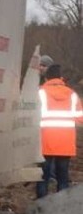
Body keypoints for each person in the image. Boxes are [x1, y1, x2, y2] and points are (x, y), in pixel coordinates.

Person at [36, 64, 83, 198]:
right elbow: (81, 118)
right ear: (60, 78)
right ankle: (60, 211)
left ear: (46, 78)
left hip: (45, 142)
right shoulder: (72, 94)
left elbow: (31, 116)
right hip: (65, 143)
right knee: (62, 178)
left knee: (42, 178)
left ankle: (41, 210)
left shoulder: (40, 93)